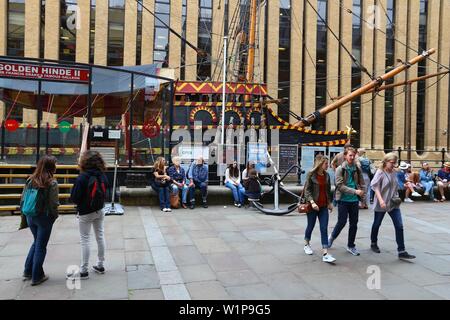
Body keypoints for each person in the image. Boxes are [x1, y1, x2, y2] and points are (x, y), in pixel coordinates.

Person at [69, 151, 109, 280]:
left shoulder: (82, 177)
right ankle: (100, 264)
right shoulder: (102, 175)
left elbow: (74, 198)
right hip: (99, 209)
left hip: (85, 212)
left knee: (85, 240)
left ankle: (84, 270)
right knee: (100, 236)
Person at [21, 155, 59, 286]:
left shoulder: (30, 180)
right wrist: (54, 216)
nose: (56, 166)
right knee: (41, 247)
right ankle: (37, 276)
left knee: (36, 242)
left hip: (30, 215)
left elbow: (23, 199)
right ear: (50, 167)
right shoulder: (51, 182)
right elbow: (53, 204)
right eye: (55, 164)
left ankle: (27, 271)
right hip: (44, 218)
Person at [370, 153, 416, 260]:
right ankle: (373, 243)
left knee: (399, 225)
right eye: (392, 162)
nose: (393, 165)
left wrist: (405, 185)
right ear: (386, 161)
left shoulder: (394, 172)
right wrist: (381, 200)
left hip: (393, 202)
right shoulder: (380, 172)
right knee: (377, 223)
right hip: (382, 202)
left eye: (395, 163)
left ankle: (401, 250)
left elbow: (395, 185)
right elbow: (375, 186)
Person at [328, 147, 366, 256]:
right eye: (350, 155)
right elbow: (339, 186)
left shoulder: (357, 168)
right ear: (345, 156)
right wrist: (355, 191)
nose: (352, 157)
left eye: (354, 155)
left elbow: (362, 183)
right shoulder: (340, 169)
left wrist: (363, 199)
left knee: (354, 224)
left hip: (354, 200)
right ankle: (331, 237)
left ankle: (351, 245)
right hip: (343, 200)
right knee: (342, 222)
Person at [303, 156, 336, 263]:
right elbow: (307, 191)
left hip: (323, 207)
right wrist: (312, 203)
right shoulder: (311, 175)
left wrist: (329, 203)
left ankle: (325, 253)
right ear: (320, 164)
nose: (328, 165)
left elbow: (328, 190)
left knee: (324, 228)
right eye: (326, 163)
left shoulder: (327, 175)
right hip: (313, 206)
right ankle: (306, 244)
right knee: (310, 226)